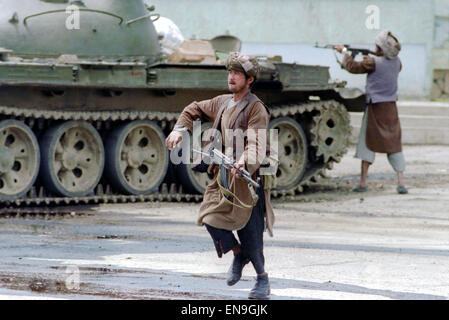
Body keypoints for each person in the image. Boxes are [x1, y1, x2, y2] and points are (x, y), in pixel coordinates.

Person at [165, 52, 275, 299]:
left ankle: (262, 279)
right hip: (223, 177)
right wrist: (179, 130)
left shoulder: (256, 108)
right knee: (209, 217)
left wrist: (243, 161)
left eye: (237, 74)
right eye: (230, 72)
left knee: (251, 232)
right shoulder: (224, 102)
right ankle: (238, 254)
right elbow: (193, 108)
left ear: (250, 79)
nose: (231, 77)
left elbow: (256, 143)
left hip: (247, 179)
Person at [334, 30, 408, 194]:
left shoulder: (373, 62)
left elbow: (352, 67)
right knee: (394, 144)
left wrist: (345, 52)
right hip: (391, 108)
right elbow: (385, 64)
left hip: (375, 108)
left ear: (381, 49)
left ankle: (363, 182)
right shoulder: (398, 62)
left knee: (367, 144)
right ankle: (401, 182)